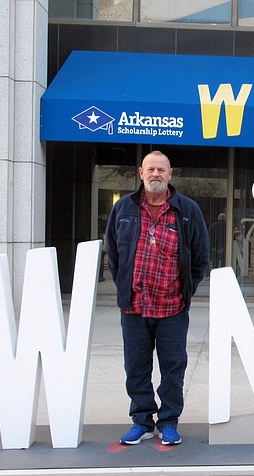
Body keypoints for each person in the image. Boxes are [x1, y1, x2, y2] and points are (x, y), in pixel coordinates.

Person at [105, 150, 209, 446]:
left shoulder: (187, 210)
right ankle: (142, 421)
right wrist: (126, 285)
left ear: (170, 173)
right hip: (134, 307)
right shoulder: (123, 209)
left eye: (161, 170)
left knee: (173, 367)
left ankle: (168, 422)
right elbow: (113, 254)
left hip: (172, 307)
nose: (155, 174)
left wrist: (185, 289)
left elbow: (200, 257)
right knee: (136, 367)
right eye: (150, 169)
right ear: (141, 172)